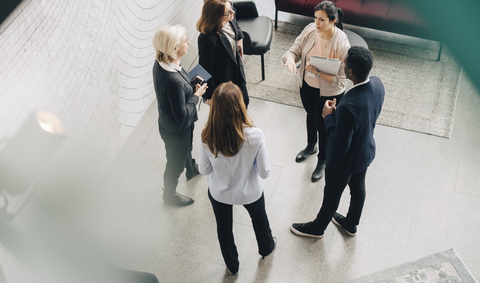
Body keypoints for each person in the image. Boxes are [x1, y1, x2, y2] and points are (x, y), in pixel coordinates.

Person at [290, 46, 385, 238]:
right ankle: (351, 224)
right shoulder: (377, 84)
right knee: (358, 188)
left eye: (345, 61)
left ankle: (317, 228)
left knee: (332, 196)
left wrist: (328, 117)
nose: (342, 62)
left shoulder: (348, 107)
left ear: (350, 72)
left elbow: (341, 145)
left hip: (344, 162)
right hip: (364, 151)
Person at [198, 82, 275, 275]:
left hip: (219, 193)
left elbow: (204, 170)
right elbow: (265, 172)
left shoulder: (207, 136)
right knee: (259, 218)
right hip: (250, 192)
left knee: (224, 228)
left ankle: (232, 266)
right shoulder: (256, 135)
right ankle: (266, 248)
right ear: (240, 106)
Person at [283, 0, 350, 182]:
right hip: (307, 86)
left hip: (329, 92)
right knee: (310, 116)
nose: (316, 24)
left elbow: (342, 78)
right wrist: (289, 58)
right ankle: (310, 146)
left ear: (332, 21)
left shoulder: (341, 41)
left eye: (321, 20)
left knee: (324, 126)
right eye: (315, 18)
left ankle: (323, 160)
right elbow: (294, 50)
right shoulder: (310, 30)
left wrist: (318, 72)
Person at [152, 25, 208, 206]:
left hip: (171, 125)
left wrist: (190, 88)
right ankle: (169, 195)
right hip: (177, 130)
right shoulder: (173, 81)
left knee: (186, 148)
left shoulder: (163, 62)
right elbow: (182, 115)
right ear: (175, 48)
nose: (189, 42)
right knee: (174, 164)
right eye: (185, 40)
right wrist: (196, 96)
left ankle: (190, 168)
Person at [197, 0, 249, 107]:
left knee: (245, 103)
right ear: (217, 17)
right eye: (228, 12)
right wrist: (210, 96)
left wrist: (239, 38)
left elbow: (235, 25)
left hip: (237, 72)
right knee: (230, 113)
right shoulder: (207, 38)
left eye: (231, 9)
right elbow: (205, 68)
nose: (233, 13)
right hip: (224, 80)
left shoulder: (229, 16)